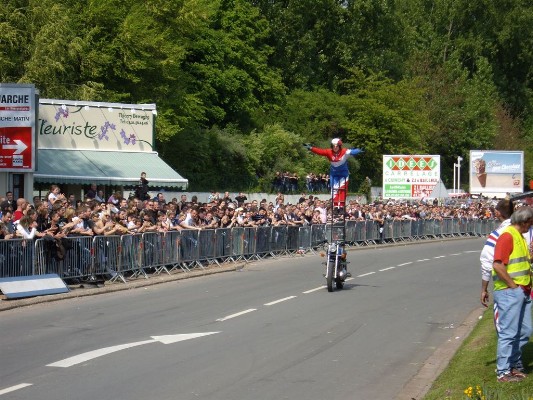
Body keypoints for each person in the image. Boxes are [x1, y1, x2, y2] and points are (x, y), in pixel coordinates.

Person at [491, 206, 533, 382]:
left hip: (522, 289)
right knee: (509, 332)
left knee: (525, 329)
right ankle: (503, 371)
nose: (530, 227)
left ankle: (514, 364)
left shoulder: (519, 237)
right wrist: (512, 286)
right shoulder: (508, 236)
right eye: (530, 224)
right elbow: (498, 264)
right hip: (511, 291)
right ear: (524, 222)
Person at [304, 138, 363, 208]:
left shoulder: (344, 151)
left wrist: (359, 150)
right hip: (334, 175)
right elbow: (320, 151)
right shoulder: (329, 152)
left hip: (343, 175)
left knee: (342, 190)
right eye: (334, 146)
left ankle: (341, 206)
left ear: (339, 146)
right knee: (334, 190)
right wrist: (311, 148)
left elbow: (352, 151)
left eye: (337, 146)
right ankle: (335, 206)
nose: (335, 147)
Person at [480, 199, 513, 308]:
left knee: (505, 324)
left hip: (505, 287)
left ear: (498, 212)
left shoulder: (498, 234)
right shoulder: (526, 229)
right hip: (526, 285)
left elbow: (487, 261)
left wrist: (484, 289)